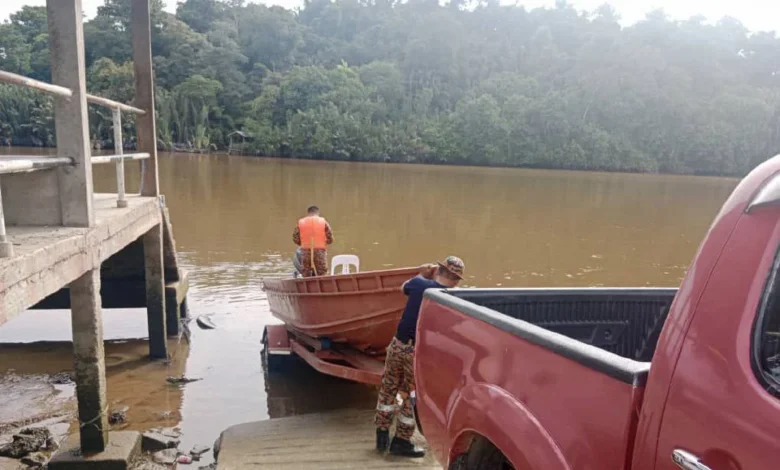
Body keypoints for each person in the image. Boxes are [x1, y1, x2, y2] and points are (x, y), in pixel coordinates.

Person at [375, 256, 465, 457]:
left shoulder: (419, 284)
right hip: (416, 352)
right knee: (409, 395)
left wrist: (422, 272)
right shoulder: (452, 299)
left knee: (388, 388)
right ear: (456, 280)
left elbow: (403, 288)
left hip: (397, 345)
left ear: (438, 270)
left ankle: (381, 436)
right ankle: (401, 442)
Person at [292, 206, 334, 277]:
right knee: (322, 273)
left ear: (308, 213)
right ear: (318, 213)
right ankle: (321, 286)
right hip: (319, 252)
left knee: (306, 273)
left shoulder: (301, 222)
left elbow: (295, 238)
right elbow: (330, 238)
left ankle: (307, 286)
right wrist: (324, 243)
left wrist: (302, 244)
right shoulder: (323, 221)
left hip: (305, 252)